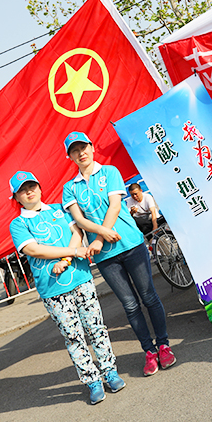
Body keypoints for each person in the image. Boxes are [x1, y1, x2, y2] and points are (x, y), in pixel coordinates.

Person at [61, 132, 176, 376]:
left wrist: (99, 238)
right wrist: (103, 236)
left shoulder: (109, 172)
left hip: (131, 244)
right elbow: (79, 219)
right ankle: (149, 351)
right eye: (74, 150)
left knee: (149, 296)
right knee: (130, 305)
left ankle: (163, 345)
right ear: (70, 156)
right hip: (105, 257)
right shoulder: (70, 188)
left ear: (92, 148)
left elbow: (115, 206)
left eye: (83, 147)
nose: (81, 153)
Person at [8, 170, 124, 405]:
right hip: (53, 289)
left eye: (32, 186)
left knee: (96, 327)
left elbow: (77, 232)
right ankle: (92, 380)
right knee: (73, 336)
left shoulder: (59, 209)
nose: (29, 192)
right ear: (16, 198)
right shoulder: (18, 224)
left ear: (40, 188)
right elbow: (33, 250)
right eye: (22, 190)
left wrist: (66, 260)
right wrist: (72, 252)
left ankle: (109, 371)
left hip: (80, 278)